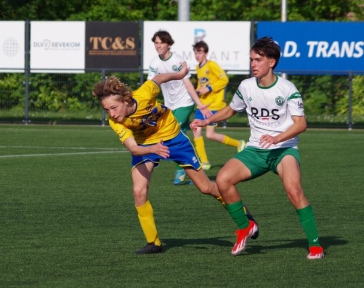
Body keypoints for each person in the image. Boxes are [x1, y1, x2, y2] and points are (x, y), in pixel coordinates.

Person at [92, 62, 257, 254]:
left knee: (205, 187)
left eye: (114, 107)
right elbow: (134, 149)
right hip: (146, 145)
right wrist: (153, 147)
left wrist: (180, 75)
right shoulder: (115, 121)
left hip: (173, 137)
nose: (111, 114)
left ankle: (243, 215)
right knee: (139, 190)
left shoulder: (144, 93)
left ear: (126, 100)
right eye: (107, 110)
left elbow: (160, 78)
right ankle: (153, 242)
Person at [190, 37, 324, 259]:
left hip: (284, 149)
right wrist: (207, 121)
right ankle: (246, 226)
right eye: (251, 59)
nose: (253, 64)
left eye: (258, 59)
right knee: (223, 180)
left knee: (294, 191)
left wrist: (277, 138)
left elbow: (301, 124)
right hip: (256, 150)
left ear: (271, 62)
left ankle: (315, 244)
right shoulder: (246, 86)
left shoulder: (287, 88)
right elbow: (231, 110)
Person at [148, 30, 212, 185]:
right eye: (156, 43)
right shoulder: (154, 63)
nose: (158, 46)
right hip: (170, 105)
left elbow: (188, 84)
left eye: (161, 42)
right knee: (178, 137)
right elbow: (150, 87)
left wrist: (200, 105)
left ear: (168, 44)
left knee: (172, 133)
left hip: (185, 103)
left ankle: (181, 169)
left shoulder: (177, 61)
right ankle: (193, 169)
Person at [192, 41, 246, 170]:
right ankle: (204, 161)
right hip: (203, 106)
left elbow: (224, 79)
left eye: (199, 52)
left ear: (205, 53)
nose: (197, 55)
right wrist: (199, 89)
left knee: (210, 135)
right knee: (196, 129)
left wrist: (209, 88)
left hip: (214, 106)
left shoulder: (212, 65)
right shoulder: (198, 67)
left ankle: (238, 143)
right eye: (195, 52)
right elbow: (202, 84)